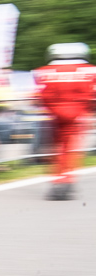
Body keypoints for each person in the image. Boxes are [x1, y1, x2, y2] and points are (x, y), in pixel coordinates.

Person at [33, 43, 96, 200]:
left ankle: (57, 180)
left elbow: (38, 96)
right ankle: (66, 180)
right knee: (71, 149)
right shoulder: (91, 70)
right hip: (78, 115)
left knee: (57, 149)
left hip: (53, 116)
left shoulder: (42, 71)